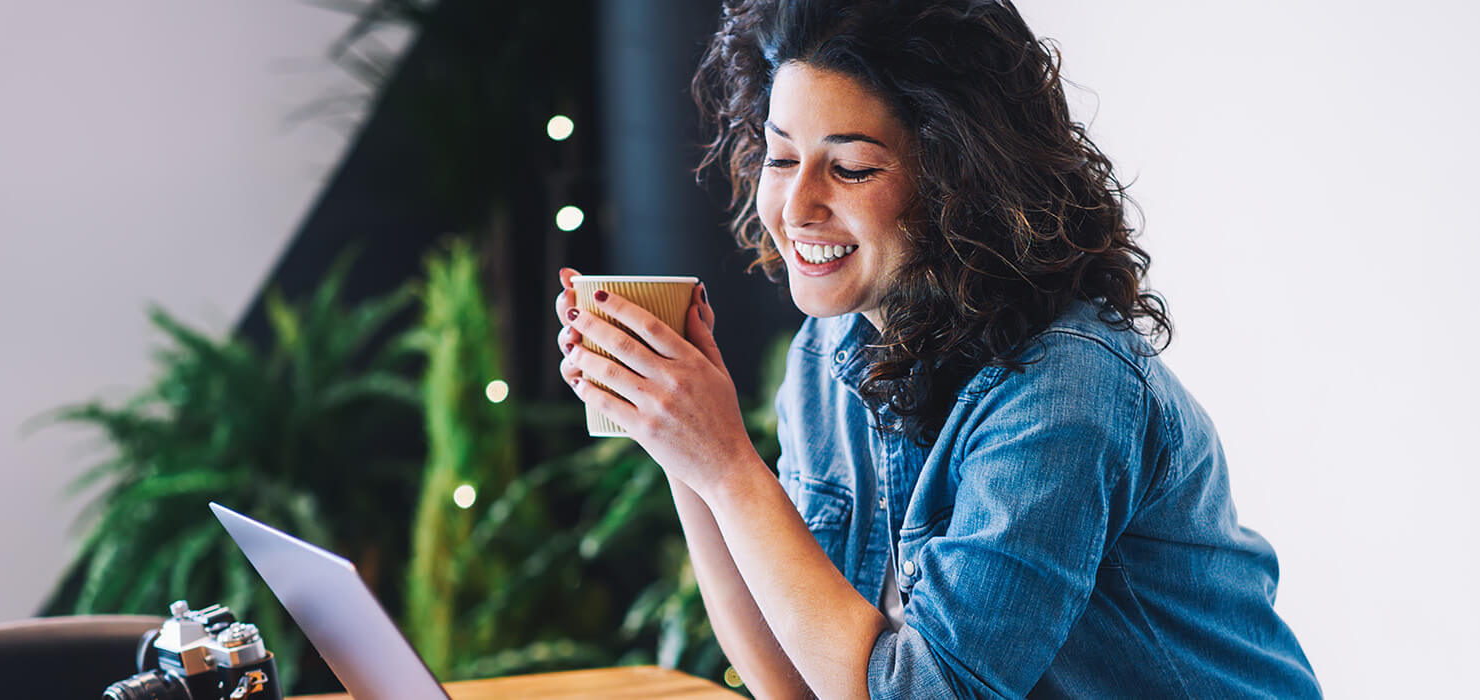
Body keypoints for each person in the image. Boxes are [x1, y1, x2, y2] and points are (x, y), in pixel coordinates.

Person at [555, 1, 1319, 697]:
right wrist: (679, 445)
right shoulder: (827, 357)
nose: (795, 208)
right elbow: (792, 683)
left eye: (849, 167)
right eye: (782, 157)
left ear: (960, 179)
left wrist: (726, 463)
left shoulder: (1065, 389)